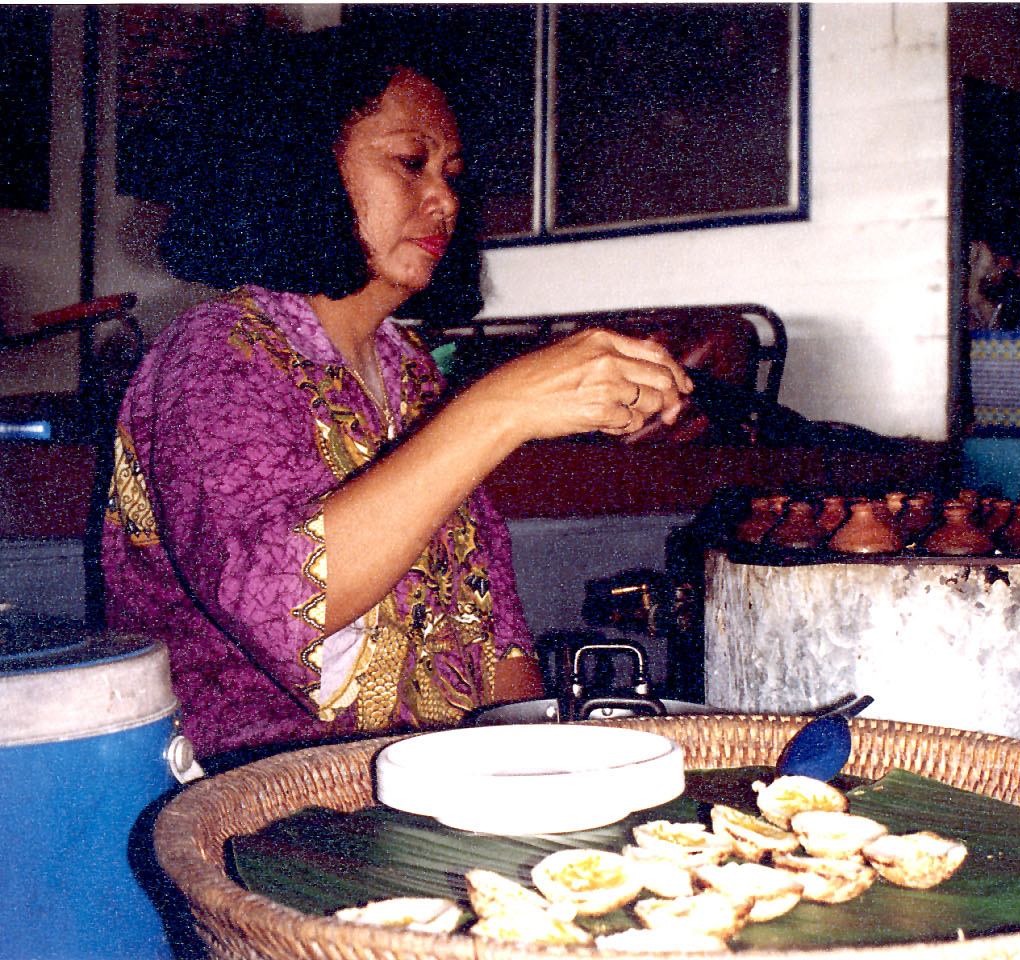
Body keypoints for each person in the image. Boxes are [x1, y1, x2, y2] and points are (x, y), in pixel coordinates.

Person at [102, 28, 692, 763]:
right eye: (410, 164)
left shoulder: (408, 368)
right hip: (264, 797)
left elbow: (491, 619)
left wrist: (538, 757)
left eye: (451, 171)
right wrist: (499, 407)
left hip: (428, 785)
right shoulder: (215, 350)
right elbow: (281, 600)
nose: (444, 197)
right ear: (300, 167)